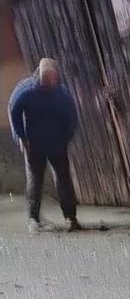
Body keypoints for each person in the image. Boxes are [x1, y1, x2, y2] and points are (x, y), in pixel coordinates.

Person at [8, 57, 81, 233]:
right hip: (34, 146)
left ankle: (70, 218)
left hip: (57, 144)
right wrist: (21, 137)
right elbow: (13, 110)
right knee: (35, 180)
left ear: (57, 77)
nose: (49, 82)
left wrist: (66, 137)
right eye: (45, 78)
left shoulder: (62, 94)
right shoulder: (26, 91)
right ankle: (33, 218)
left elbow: (71, 117)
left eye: (52, 78)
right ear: (38, 75)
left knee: (64, 180)